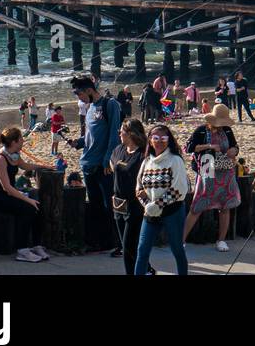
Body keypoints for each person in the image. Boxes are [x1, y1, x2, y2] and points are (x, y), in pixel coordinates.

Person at [66, 75, 122, 252]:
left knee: (109, 206)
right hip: (87, 164)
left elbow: (114, 135)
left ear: (89, 90)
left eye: (79, 94)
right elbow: (91, 135)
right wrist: (79, 142)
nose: (79, 98)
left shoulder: (109, 104)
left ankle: (116, 242)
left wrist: (107, 161)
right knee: (96, 206)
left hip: (102, 165)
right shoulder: (89, 108)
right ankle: (99, 242)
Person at [183, 104, 241, 251]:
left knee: (225, 205)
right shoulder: (202, 130)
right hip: (207, 165)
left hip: (225, 170)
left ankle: (221, 240)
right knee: (198, 205)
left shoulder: (227, 129)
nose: (221, 126)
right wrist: (208, 145)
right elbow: (188, 148)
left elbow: (235, 146)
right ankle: (181, 240)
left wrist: (234, 150)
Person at [134, 124, 190, 276]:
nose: (159, 141)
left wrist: (158, 204)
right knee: (142, 250)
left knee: (177, 249)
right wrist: (148, 206)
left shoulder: (175, 160)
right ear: (150, 140)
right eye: (156, 138)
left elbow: (179, 189)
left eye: (163, 138)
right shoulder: (146, 162)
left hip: (172, 211)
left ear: (169, 140)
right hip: (150, 212)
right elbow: (139, 189)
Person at [0, 127, 50, 263]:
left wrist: (43, 166)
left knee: (38, 207)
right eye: (21, 139)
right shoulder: (1, 159)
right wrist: (28, 200)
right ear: (14, 141)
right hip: (0, 197)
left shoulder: (14, 154)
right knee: (27, 209)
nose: (23, 141)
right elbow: (7, 188)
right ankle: (22, 250)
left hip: (10, 194)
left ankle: (36, 245)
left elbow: (25, 166)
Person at [111, 119, 149, 275]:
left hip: (135, 206)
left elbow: (151, 175)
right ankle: (147, 269)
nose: (119, 134)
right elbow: (112, 162)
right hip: (118, 203)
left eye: (122, 131)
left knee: (128, 248)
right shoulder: (120, 149)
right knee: (127, 245)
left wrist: (145, 190)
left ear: (132, 134)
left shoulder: (143, 154)